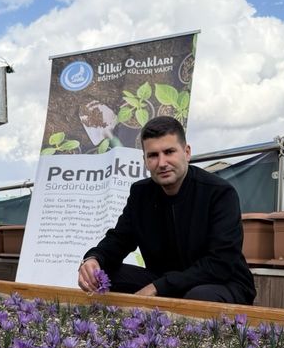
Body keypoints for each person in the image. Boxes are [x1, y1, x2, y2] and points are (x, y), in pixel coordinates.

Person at [77, 116, 256, 305]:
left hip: (222, 283)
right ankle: (113, 331)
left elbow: (220, 263)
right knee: (101, 276)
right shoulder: (141, 194)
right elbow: (119, 239)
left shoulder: (219, 193)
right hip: (164, 281)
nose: (162, 163)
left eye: (169, 152)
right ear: (144, 160)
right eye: (153, 155)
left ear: (186, 152)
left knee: (198, 298)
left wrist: (158, 288)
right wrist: (94, 258)